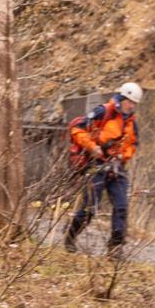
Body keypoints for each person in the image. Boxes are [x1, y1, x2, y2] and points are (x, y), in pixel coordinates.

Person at [62, 81, 140, 253]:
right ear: (122, 98)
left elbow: (133, 145)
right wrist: (92, 147)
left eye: (134, 103)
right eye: (129, 101)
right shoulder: (103, 112)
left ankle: (115, 247)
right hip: (96, 166)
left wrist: (123, 155)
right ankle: (70, 234)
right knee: (90, 209)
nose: (131, 106)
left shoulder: (131, 123)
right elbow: (77, 130)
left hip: (117, 169)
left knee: (121, 207)